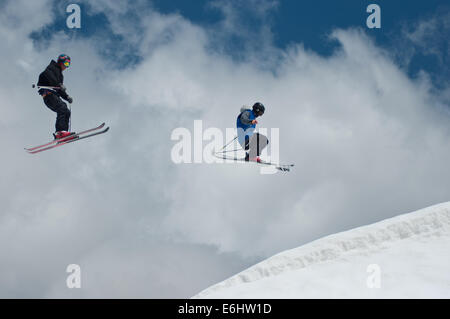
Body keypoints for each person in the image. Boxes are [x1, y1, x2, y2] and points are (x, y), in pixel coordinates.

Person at [37, 54, 74, 139]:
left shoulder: (60, 75)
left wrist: (67, 96)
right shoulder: (52, 67)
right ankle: (60, 132)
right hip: (48, 95)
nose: (66, 67)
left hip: (53, 96)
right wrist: (59, 84)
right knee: (62, 108)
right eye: (66, 63)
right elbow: (46, 74)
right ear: (61, 61)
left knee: (67, 111)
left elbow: (59, 89)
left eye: (68, 65)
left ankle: (64, 133)